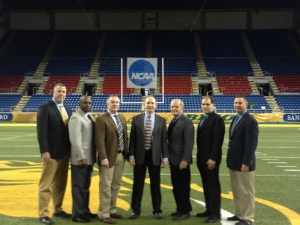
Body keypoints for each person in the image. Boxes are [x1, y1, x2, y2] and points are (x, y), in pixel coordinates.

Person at [37, 83, 72, 225]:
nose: (62, 94)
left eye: (64, 92)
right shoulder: (45, 108)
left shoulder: (68, 109)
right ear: (53, 92)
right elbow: (41, 131)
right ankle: (43, 214)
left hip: (64, 153)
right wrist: (44, 150)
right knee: (46, 185)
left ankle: (58, 209)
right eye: (59, 91)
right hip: (50, 153)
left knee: (60, 184)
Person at [128, 95, 168, 220]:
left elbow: (163, 141)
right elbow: (132, 140)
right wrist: (131, 154)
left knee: (155, 184)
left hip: (154, 156)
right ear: (144, 104)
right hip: (140, 156)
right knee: (137, 184)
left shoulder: (162, 120)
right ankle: (135, 210)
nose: (150, 105)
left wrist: (165, 157)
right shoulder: (136, 119)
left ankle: (157, 210)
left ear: (156, 105)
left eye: (152, 103)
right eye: (148, 103)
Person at [95, 94, 128, 224]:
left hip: (121, 155)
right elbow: (99, 140)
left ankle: (112, 210)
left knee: (116, 184)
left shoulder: (122, 118)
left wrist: (127, 153)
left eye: (117, 102)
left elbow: (125, 137)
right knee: (105, 185)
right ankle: (104, 213)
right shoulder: (101, 119)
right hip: (107, 157)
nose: (115, 104)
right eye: (112, 102)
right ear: (107, 104)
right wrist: (103, 157)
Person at [227, 95, 259, 225]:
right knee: (237, 190)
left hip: (244, 163)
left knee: (246, 191)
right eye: (235, 103)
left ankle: (248, 218)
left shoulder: (250, 121)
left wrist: (246, 162)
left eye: (240, 103)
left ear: (246, 104)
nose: (237, 105)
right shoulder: (237, 118)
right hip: (234, 161)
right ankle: (240, 214)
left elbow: (251, 144)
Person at [68, 95, 98, 223]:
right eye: (85, 103)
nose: (88, 105)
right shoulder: (76, 117)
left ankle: (85, 210)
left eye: (89, 103)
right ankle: (77, 214)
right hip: (81, 159)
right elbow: (75, 140)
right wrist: (81, 157)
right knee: (78, 187)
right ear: (79, 103)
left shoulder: (89, 116)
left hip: (89, 158)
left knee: (85, 186)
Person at [196, 96, 225, 223]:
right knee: (206, 185)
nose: (205, 106)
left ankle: (215, 213)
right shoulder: (203, 118)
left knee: (213, 186)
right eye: (203, 104)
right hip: (202, 159)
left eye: (207, 104)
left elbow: (217, 141)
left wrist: (213, 158)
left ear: (213, 105)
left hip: (210, 160)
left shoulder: (217, 119)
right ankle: (209, 209)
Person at [168, 99, 194, 220]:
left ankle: (185, 211)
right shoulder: (173, 121)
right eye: (172, 107)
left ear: (182, 108)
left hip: (181, 161)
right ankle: (179, 209)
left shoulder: (187, 121)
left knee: (183, 187)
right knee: (176, 186)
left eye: (176, 107)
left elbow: (189, 143)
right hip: (173, 160)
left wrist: (185, 159)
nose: (174, 109)